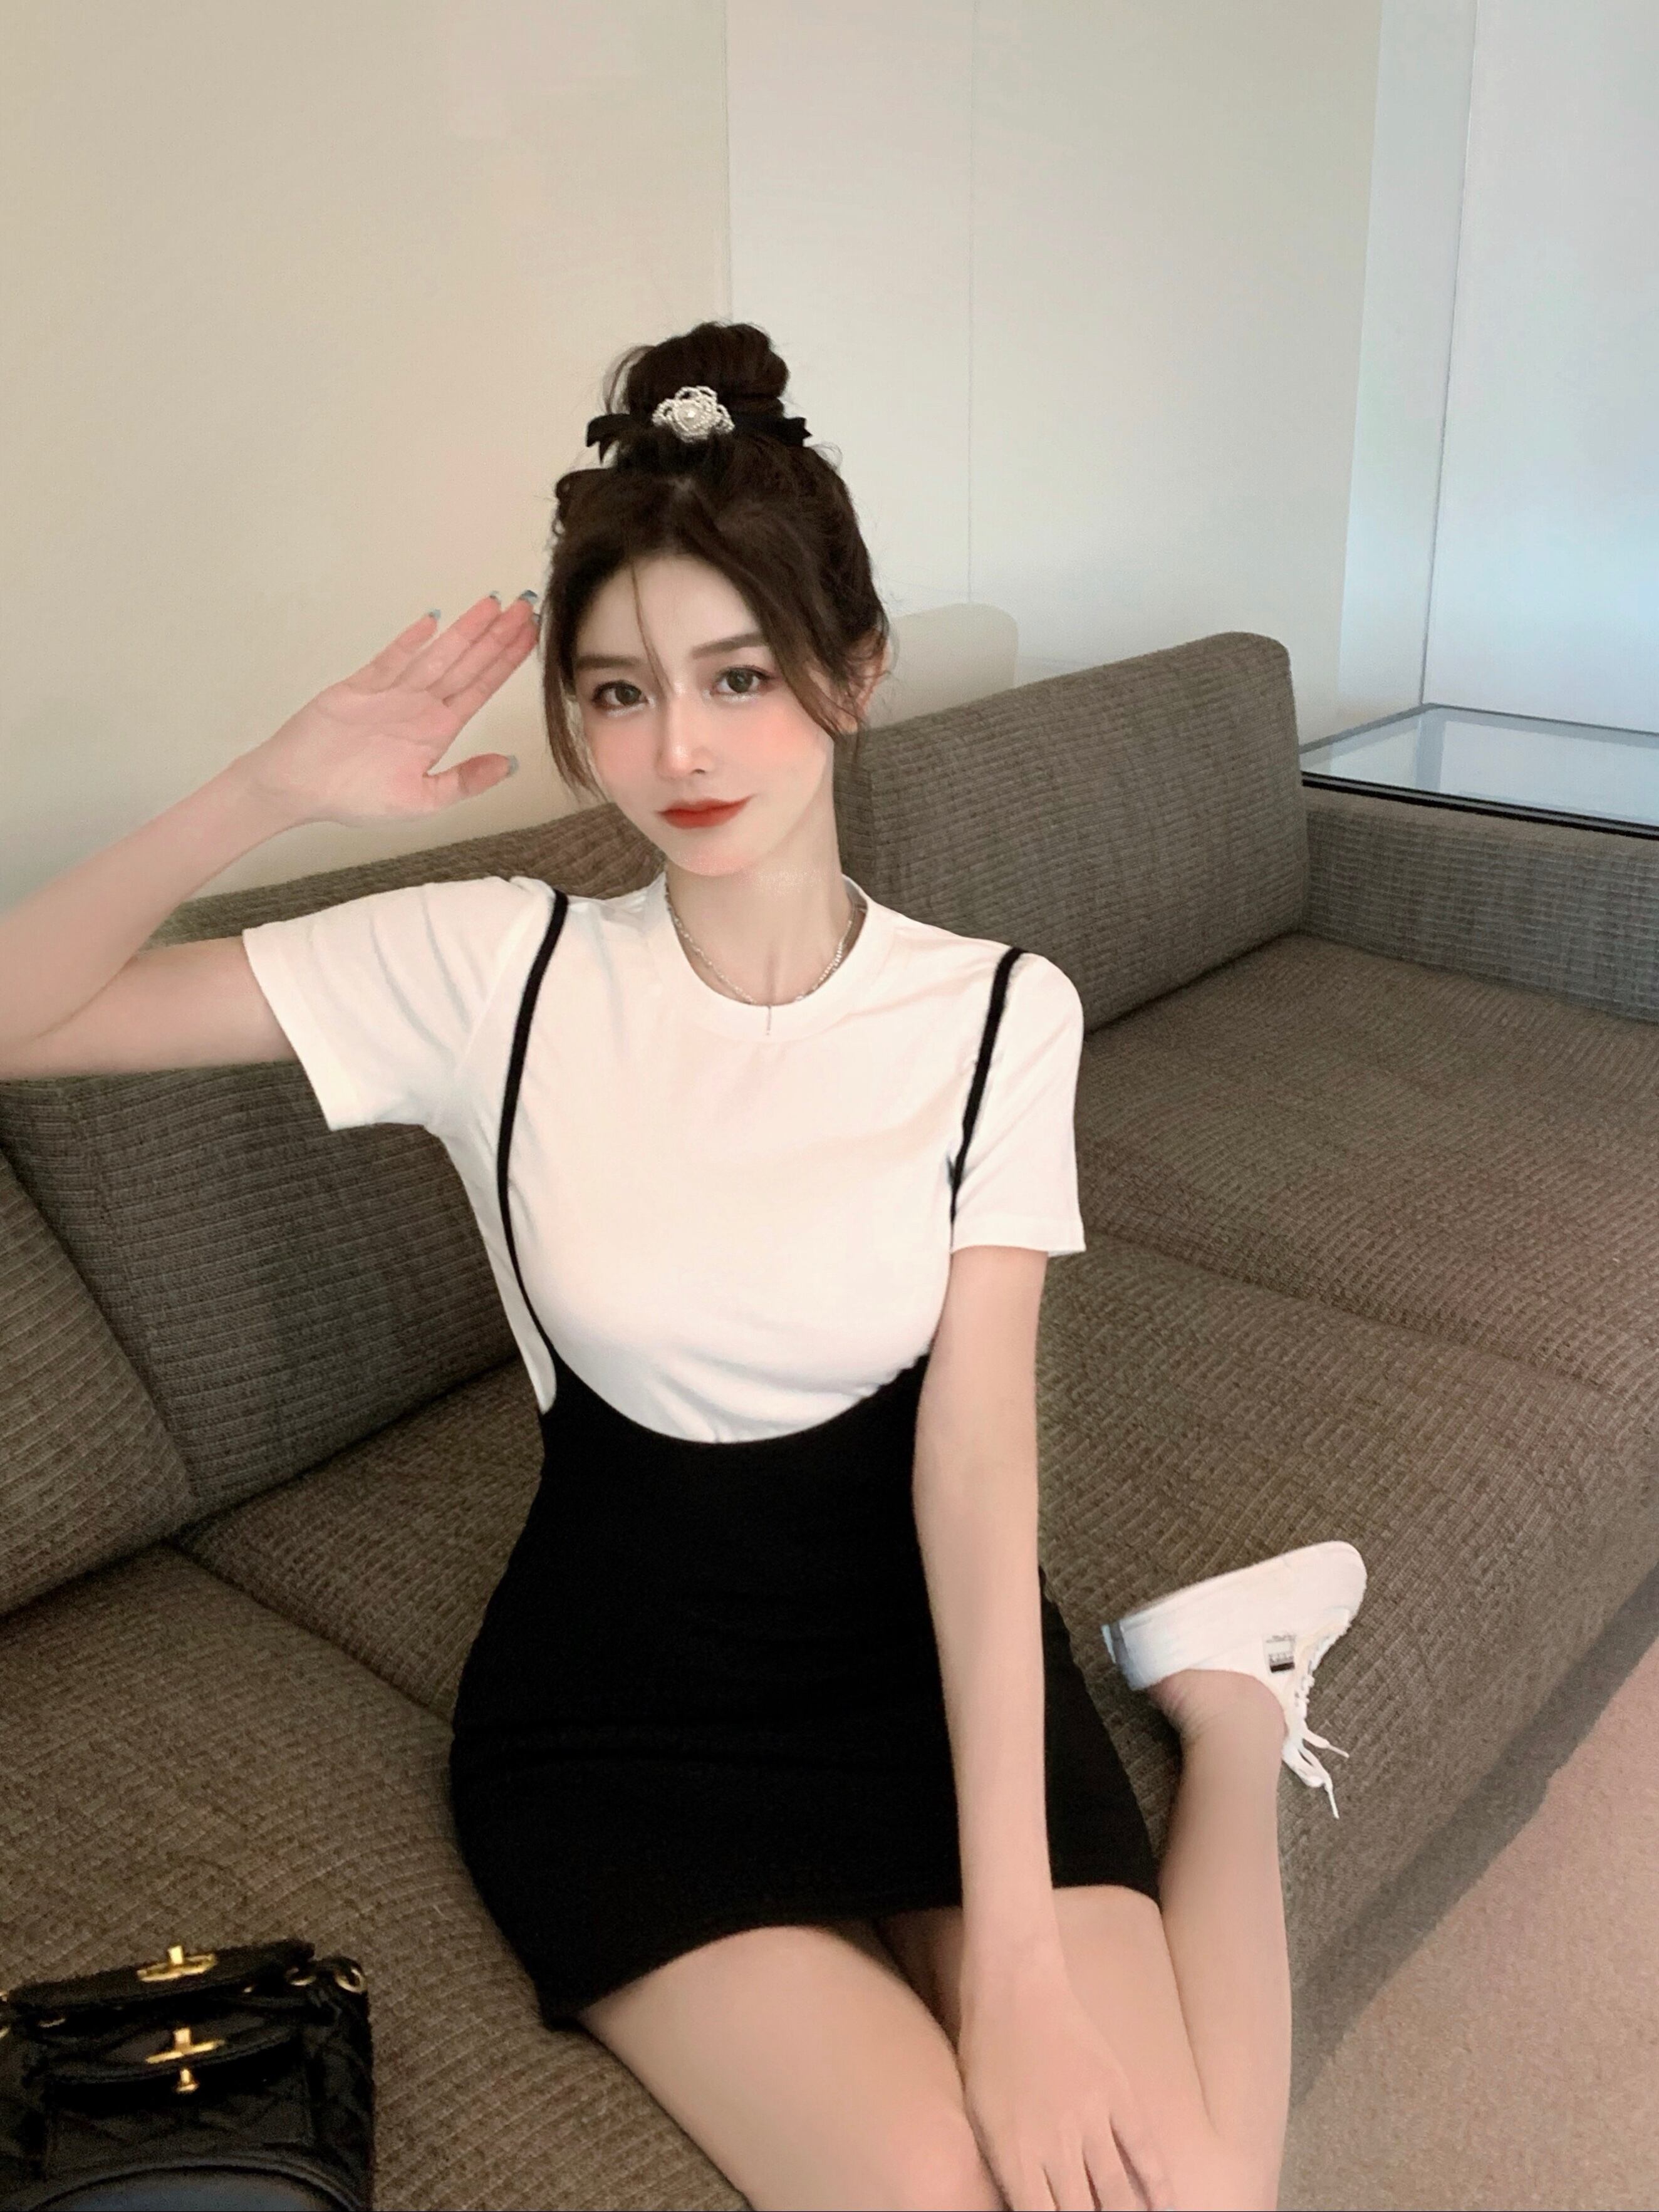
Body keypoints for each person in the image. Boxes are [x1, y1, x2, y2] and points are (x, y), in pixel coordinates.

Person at [0, 319, 1368, 2212]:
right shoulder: (493, 972)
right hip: (625, 1720)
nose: (684, 748)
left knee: (1193, 2195)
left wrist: (1022, 1969)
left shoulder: (997, 1014)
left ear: (854, 672)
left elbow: (977, 1468)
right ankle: (1218, 1704)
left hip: (917, 1666)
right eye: (621, 693)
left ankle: (1226, 1701)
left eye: (740, 674)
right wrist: (268, 787)